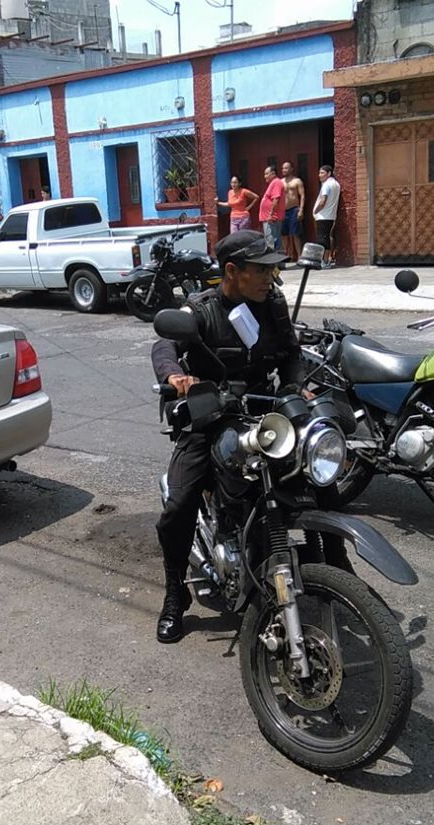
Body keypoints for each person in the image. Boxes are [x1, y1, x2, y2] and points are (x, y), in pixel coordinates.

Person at [149, 229, 310, 644]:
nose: (269, 279)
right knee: (180, 505)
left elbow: (291, 354)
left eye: (272, 271)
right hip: (210, 414)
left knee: (313, 477)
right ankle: (174, 596)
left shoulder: (271, 306)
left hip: (262, 413)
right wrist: (174, 376)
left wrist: (295, 386)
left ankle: (337, 571)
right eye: (261, 270)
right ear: (232, 271)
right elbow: (165, 344)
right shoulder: (202, 309)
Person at [312, 165, 341, 268]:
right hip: (330, 215)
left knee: (322, 239)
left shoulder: (326, 185)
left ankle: (324, 261)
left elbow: (323, 201)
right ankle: (327, 260)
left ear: (329, 173)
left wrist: (316, 210)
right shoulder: (336, 184)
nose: (320, 175)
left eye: (322, 173)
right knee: (327, 238)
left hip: (323, 216)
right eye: (319, 173)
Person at [280, 161, 307, 262]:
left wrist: (301, 210)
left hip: (294, 210)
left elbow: (302, 196)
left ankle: (299, 255)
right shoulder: (280, 182)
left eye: (286, 168)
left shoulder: (297, 181)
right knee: (284, 234)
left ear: (291, 169)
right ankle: (287, 255)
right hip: (283, 211)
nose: (284, 170)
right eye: (283, 168)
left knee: (295, 233)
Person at [257, 165, 285, 251]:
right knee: (273, 240)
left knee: (271, 241)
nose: (265, 176)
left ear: (273, 173)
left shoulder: (276, 182)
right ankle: (278, 261)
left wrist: (270, 214)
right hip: (270, 218)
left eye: (266, 174)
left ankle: (274, 262)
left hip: (272, 218)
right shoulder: (273, 183)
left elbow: (276, 199)